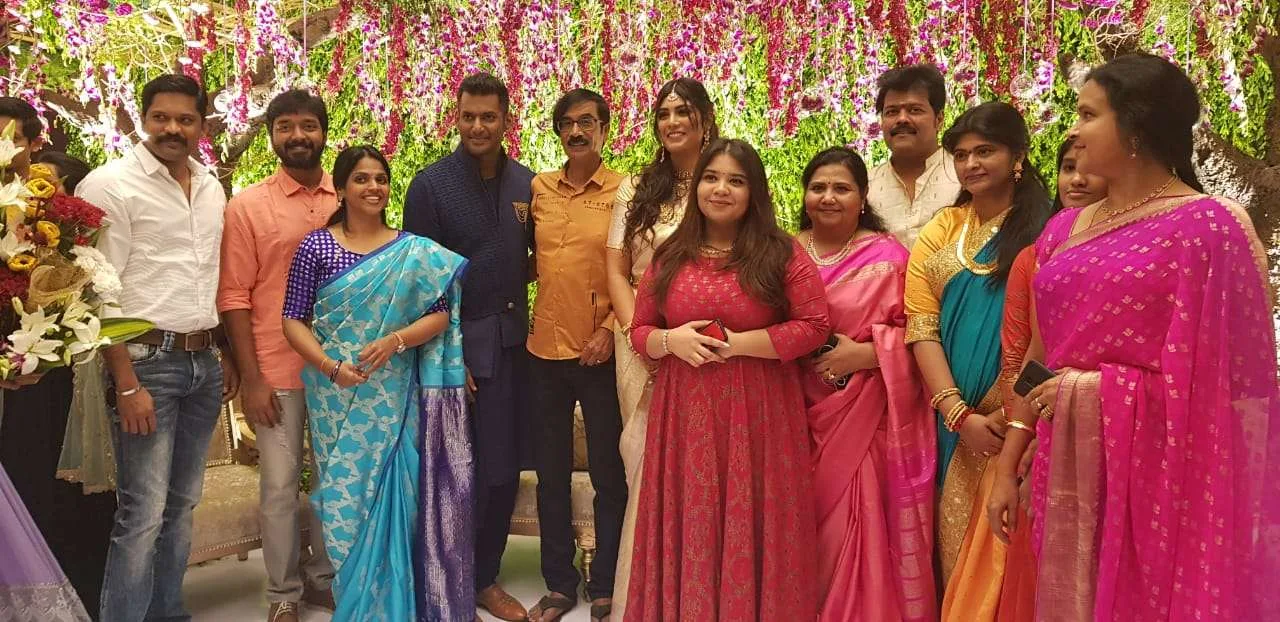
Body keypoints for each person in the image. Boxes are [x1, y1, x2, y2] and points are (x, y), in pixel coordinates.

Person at [987, 52, 1280, 621]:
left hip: (1166, 481)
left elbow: (1237, 392)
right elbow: (1039, 360)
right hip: (1067, 465)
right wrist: (1007, 465)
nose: (1073, 129)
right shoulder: (1061, 231)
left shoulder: (1209, 227)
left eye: (1088, 114)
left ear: (1137, 125)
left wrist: (1095, 391)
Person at [625, 138, 829, 621]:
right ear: (697, 186)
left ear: (753, 191)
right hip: (685, 415)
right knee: (691, 521)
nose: (721, 189)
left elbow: (814, 326)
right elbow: (639, 330)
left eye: (736, 181)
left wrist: (738, 344)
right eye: (712, 178)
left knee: (752, 519)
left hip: (760, 415)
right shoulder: (671, 254)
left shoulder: (781, 252)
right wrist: (671, 341)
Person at [282, 145, 472, 621]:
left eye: (381, 179)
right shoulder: (316, 247)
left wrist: (395, 340)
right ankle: (357, 603)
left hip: (395, 396)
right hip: (335, 395)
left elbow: (439, 315)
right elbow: (292, 319)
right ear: (342, 188)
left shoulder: (411, 250)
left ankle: (396, 607)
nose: (373, 187)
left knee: (398, 498)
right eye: (362, 179)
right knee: (345, 501)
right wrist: (330, 366)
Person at [79, 74, 240, 621]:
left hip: (202, 361)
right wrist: (125, 383)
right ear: (142, 118)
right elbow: (99, 291)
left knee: (182, 506)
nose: (173, 128)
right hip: (145, 363)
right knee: (142, 513)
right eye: (161, 117)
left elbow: (212, 276)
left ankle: (168, 613)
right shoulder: (111, 185)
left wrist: (224, 352)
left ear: (201, 125)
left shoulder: (211, 184)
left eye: (185, 119)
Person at [903, 101, 1051, 620]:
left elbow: (1052, 335)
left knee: (1012, 555)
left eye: (984, 151)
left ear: (1018, 156)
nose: (971, 164)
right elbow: (920, 325)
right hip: (954, 424)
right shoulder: (944, 228)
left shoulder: (1049, 230)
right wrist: (956, 413)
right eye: (961, 154)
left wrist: (1019, 421)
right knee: (950, 546)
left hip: (1025, 420)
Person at [402, 72, 534, 622]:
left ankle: (484, 578)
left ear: (506, 120)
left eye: (488, 117)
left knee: (503, 469)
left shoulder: (527, 182)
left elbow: (535, 261)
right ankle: (450, 580)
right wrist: (450, 357)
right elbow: (420, 281)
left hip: (517, 346)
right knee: (459, 471)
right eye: (468, 116)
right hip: (456, 350)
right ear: (455, 119)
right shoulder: (430, 186)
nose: (478, 126)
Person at [796, 147, 937, 622]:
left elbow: (920, 333)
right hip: (794, 416)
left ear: (862, 198)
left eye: (842, 188)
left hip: (865, 415)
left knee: (857, 527)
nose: (828, 197)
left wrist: (868, 354)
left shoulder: (890, 257)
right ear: (804, 196)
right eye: (818, 187)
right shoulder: (783, 254)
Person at [218, 89, 336, 622]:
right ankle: (283, 593)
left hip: (338, 372)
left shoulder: (349, 196)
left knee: (335, 481)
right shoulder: (247, 206)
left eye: (307, 125)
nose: (297, 136)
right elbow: (234, 296)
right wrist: (252, 378)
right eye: (285, 126)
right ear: (271, 136)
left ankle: (324, 580)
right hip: (276, 369)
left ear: (323, 133)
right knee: (281, 486)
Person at [604, 77, 718, 622]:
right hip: (640, 342)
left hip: (704, 343)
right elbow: (615, 269)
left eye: (683, 111)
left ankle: (698, 591)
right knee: (644, 460)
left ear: (705, 119)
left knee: (699, 465)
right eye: (664, 113)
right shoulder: (636, 189)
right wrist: (640, 335)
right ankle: (644, 594)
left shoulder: (723, 180)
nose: (672, 122)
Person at [0, 97, 116, 621]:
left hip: (52, 372)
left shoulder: (52, 215)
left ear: (33, 144)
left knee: (58, 498)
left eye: (13, 140)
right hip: (15, 372)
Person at [989, 135, 1107, 622]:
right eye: (1067, 167)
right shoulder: (1042, 252)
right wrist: (1015, 453)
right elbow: (1026, 361)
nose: (1076, 179)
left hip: (1124, 442)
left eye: (1089, 165)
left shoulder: (1171, 236)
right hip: (1046, 437)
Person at [525, 88, 627, 622]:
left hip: (600, 352)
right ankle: (559, 585)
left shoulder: (624, 191)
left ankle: (606, 580)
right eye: (567, 123)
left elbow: (636, 271)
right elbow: (526, 261)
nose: (577, 131)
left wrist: (609, 328)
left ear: (605, 130)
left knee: (609, 473)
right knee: (551, 474)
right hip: (544, 352)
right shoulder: (538, 188)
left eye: (587, 122)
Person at [867, 64, 961, 249]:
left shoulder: (966, 177)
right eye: (891, 112)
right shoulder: (865, 186)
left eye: (914, 110)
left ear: (939, 119)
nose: (902, 119)